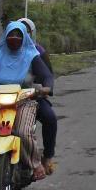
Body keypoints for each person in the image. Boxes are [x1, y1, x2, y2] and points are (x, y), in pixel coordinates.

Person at [0, 20, 54, 186]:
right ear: (5, 36)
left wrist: (46, 87)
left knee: (25, 130)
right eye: (11, 34)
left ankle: (38, 162)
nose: (14, 38)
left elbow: (46, 75)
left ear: (26, 37)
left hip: (26, 99)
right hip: (0, 101)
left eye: (18, 35)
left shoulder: (32, 55)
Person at [17, 17, 58, 177]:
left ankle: (47, 156)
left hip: (32, 96)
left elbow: (48, 75)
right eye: (17, 33)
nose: (20, 37)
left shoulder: (38, 52)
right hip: (6, 97)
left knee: (50, 118)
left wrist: (44, 89)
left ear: (31, 34)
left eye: (25, 32)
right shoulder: (3, 51)